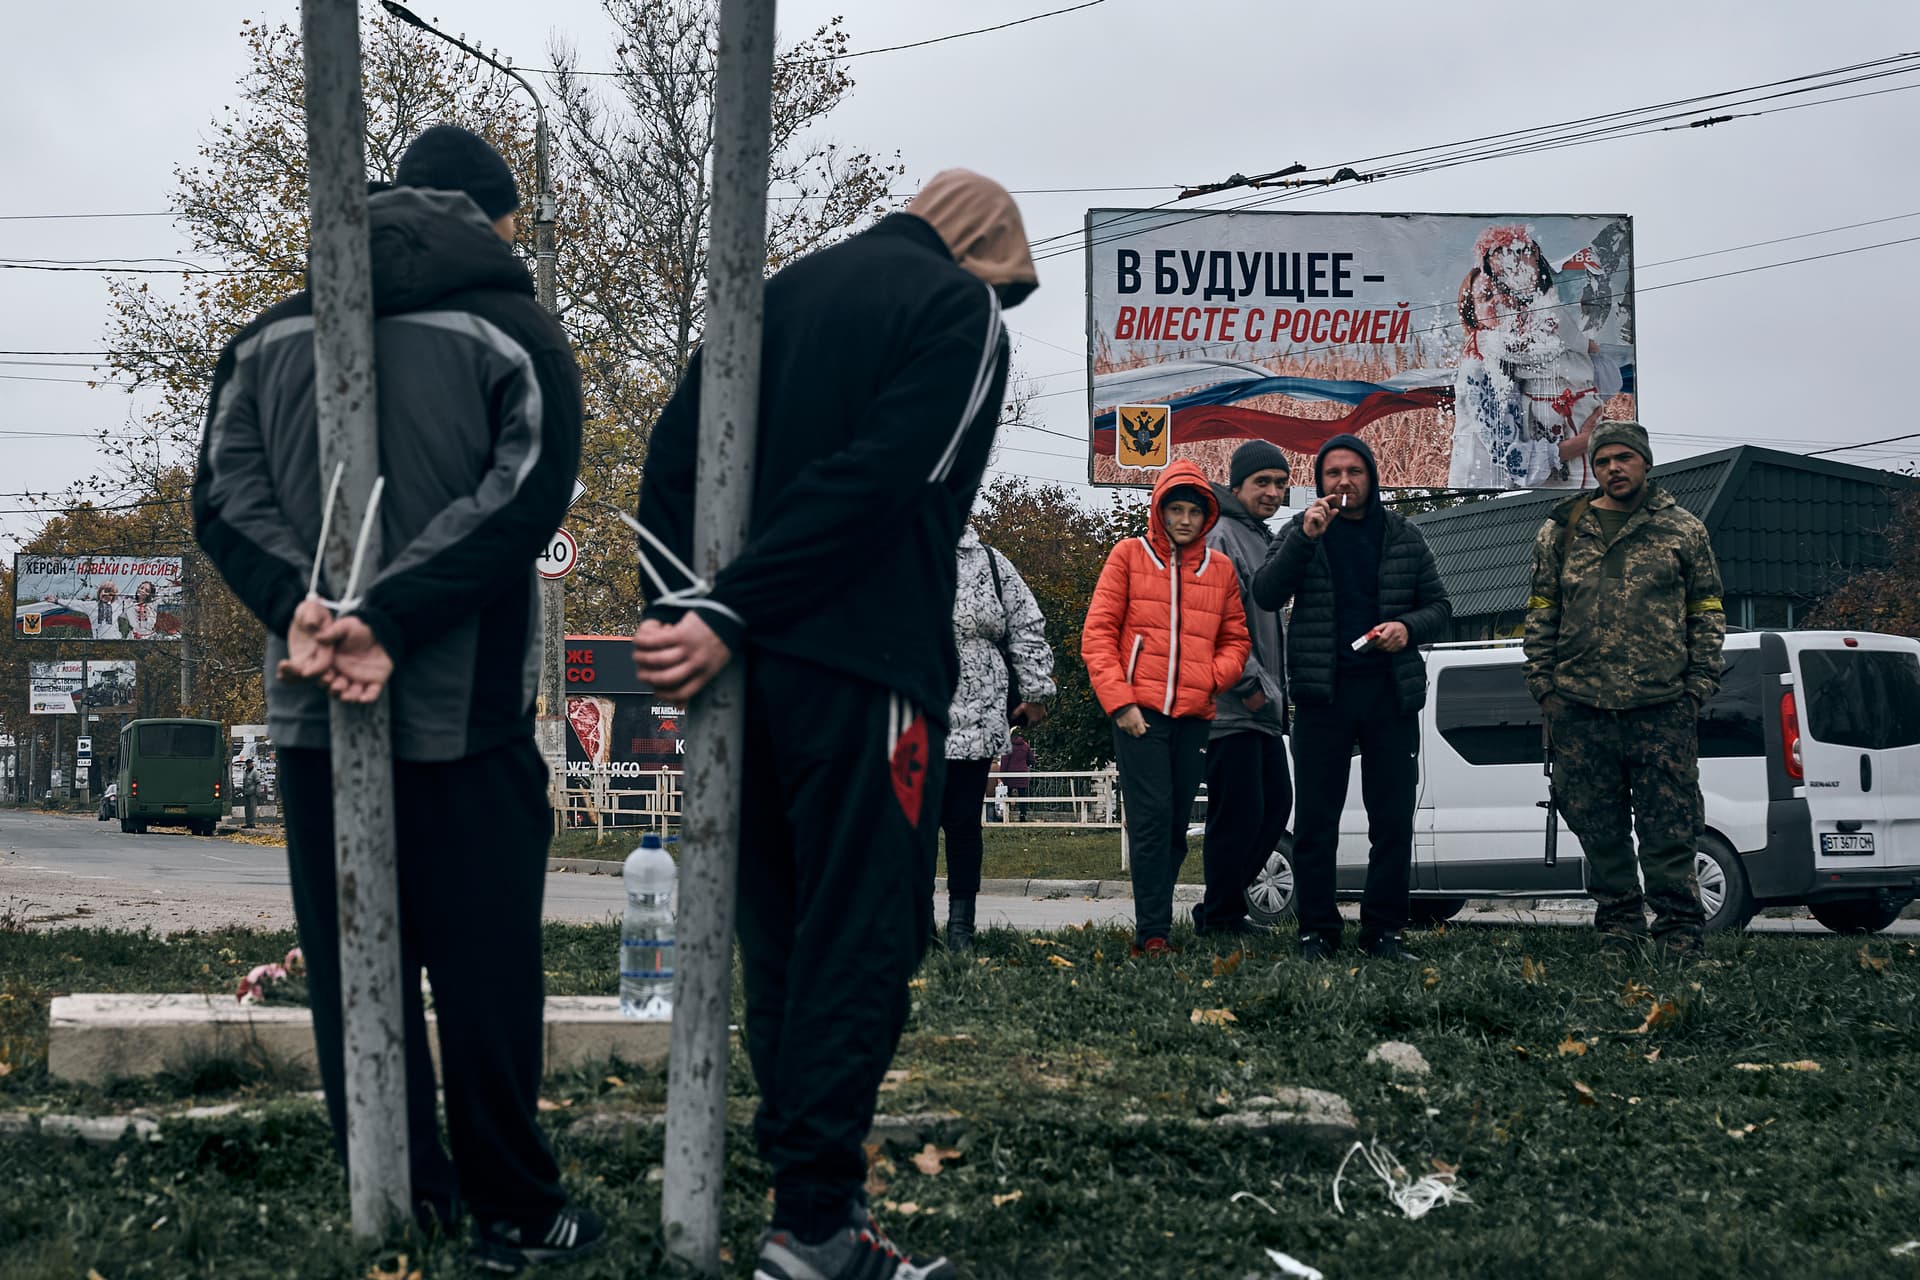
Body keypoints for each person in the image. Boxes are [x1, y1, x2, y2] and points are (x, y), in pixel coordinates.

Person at [192, 125, 602, 1268]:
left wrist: (309, 606)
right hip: (461, 714)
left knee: (353, 962)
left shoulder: (269, 333)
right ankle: (516, 1211)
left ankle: (397, 1196)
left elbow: (223, 498)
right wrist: (395, 615)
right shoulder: (513, 328)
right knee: (483, 972)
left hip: (311, 706)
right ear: (490, 214)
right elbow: (524, 496)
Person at [630, 168, 1036, 1280]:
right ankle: (816, 1221)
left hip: (738, 680)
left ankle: (805, 1207)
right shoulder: (959, 311)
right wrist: (737, 606)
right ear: (986, 255)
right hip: (867, 667)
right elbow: (892, 480)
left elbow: (671, 457)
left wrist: (683, 609)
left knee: (782, 934)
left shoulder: (774, 296)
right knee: (864, 931)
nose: (1008, 309)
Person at [1523, 420, 1725, 957]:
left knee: (1671, 827)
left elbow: (1706, 609)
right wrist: (1545, 684)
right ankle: (1620, 929)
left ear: (1645, 463)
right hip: (1581, 707)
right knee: (1599, 825)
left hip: (1661, 706)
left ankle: (1680, 933)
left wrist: (1698, 684)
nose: (1614, 468)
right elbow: (1543, 609)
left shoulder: (1683, 530)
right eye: (1604, 459)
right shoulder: (1563, 529)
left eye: (1624, 458)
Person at [1253, 434, 1452, 963]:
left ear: (1372, 477)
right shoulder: (1302, 530)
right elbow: (1266, 593)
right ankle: (1316, 931)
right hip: (1324, 695)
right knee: (1317, 821)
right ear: (1319, 482)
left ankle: (1383, 932)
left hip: (1389, 695)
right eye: (1333, 473)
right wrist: (1305, 539)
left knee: (1392, 821)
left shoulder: (1404, 535)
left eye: (1354, 471)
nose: (1344, 481)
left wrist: (1407, 629)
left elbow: (1439, 606)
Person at [1082, 460, 1251, 958]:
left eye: (1193, 512)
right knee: (1152, 820)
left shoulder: (1218, 570)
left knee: (1176, 824)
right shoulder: (1128, 556)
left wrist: (1209, 681)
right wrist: (1121, 703)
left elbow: (1235, 639)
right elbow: (1098, 637)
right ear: (1159, 511)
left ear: (1206, 516)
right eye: (1174, 509)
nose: (1183, 520)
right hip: (1140, 715)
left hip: (1194, 717)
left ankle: (1157, 925)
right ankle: (1152, 934)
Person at [1197, 441, 1295, 937]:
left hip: (1264, 708)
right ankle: (1220, 917)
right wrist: (1252, 686)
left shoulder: (1260, 537)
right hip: (1233, 705)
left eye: (1280, 483)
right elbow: (1212, 622)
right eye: (1263, 483)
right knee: (1238, 815)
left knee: (1273, 806)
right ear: (1237, 486)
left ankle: (1221, 908)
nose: (1274, 492)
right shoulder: (1222, 537)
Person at [942, 527, 1054, 951]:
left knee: (963, 822)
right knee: (906, 826)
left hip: (976, 714)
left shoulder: (989, 562)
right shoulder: (892, 549)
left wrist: (1036, 690)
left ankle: (960, 927)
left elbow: (1026, 623)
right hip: (911, 713)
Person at [999, 729, 1035, 822]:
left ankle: (1008, 815)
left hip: (1010, 774)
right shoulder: (1025, 745)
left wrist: (1001, 775)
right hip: (1022, 773)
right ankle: (1022, 815)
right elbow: (1031, 759)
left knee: (1008, 794)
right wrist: (1025, 765)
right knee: (1022, 795)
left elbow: (1004, 762)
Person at [238, 759, 261, 829]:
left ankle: (252, 823)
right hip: (246, 793)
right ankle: (248, 823)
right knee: (247, 809)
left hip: (253, 793)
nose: (249, 765)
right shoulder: (246, 772)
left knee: (252, 808)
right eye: (248, 764)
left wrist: (257, 792)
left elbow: (258, 783)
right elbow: (244, 782)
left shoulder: (255, 772)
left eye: (250, 763)